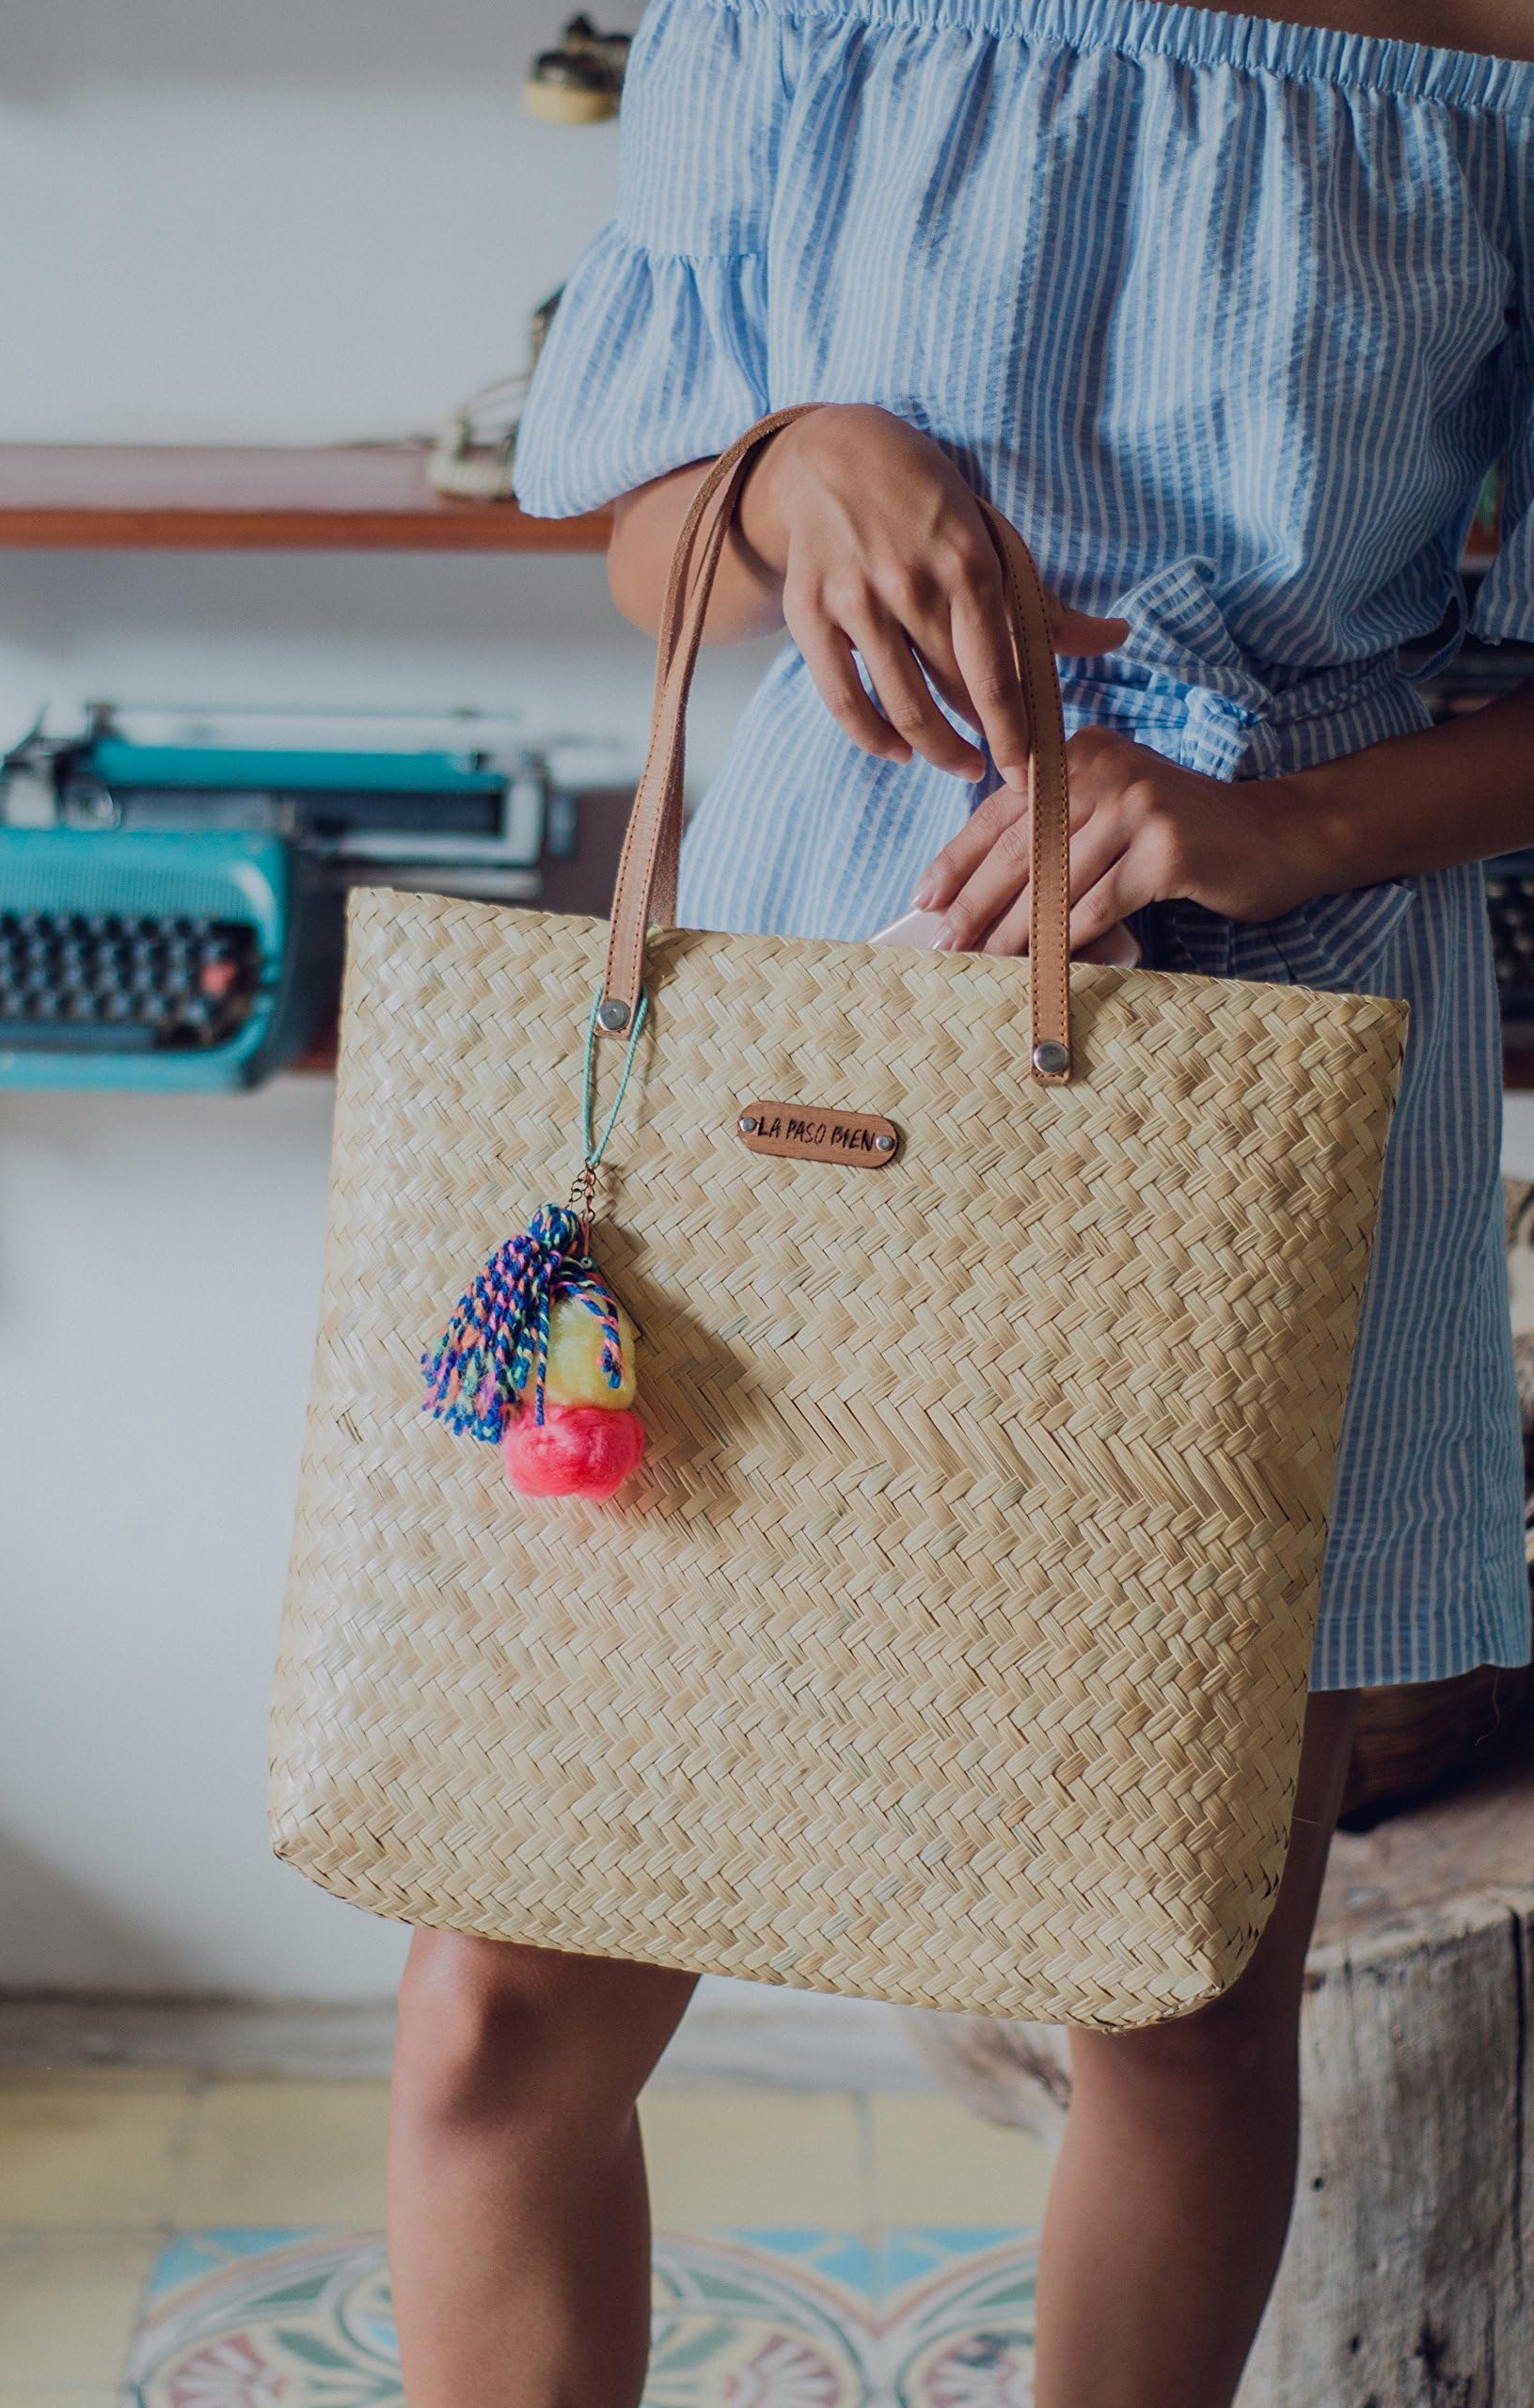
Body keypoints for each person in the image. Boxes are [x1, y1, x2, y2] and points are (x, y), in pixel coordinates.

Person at [388, 0, 1534, 2398]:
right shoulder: (779, 14)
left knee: (1180, 1992)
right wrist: (781, 467)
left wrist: (1272, 825)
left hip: (1263, 1065)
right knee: (500, 1994)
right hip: (792, 1023)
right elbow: (634, 538)